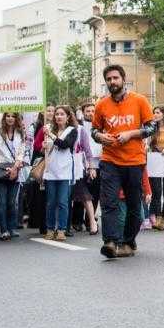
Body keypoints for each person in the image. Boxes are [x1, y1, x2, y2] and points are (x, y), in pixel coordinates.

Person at [92, 65, 156, 259]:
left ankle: (128, 241)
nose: (112, 82)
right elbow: (93, 131)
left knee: (133, 205)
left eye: (115, 78)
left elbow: (152, 127)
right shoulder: (101, 105)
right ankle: (110, 242)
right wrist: (100, 136)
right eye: (109, 79)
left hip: (134, 161)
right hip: (110, 160)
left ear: (123, 79)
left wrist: (131, 134)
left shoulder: (140, 100)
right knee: (109, 202)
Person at [0, 111, 27, 241]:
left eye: (13, 116)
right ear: (4, 118)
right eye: (8, 116)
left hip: (15, 169)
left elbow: (21, 152)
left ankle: (12, 228)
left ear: (17, 119)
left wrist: (15, 167)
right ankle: (3, 230)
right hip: (0, 169)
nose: (10, 118)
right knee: (2, 202)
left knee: (12, 202)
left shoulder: (20, 133)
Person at [43, 105, 80, 241]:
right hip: (50, 170)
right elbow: (46, 149)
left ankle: (62, 229)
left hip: (64, 170)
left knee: (63, 202)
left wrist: (51, 135)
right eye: (57, 114)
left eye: (62, 114)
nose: (58, 116)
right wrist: (44, 145)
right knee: (51, 202)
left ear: (68, 117)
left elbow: (65, 145)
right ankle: (50, 228)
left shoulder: (72, 131)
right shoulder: (49, 129)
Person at [75, 101, 100, 235]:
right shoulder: (79, 126)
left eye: (93, 111)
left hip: (98, 163)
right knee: (81, 192)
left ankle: (89, 219)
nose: (90, 113)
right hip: (83, 163)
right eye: (88, 111)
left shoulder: (100, 125)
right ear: (83, 112)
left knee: (95, 193)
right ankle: (77, 220)